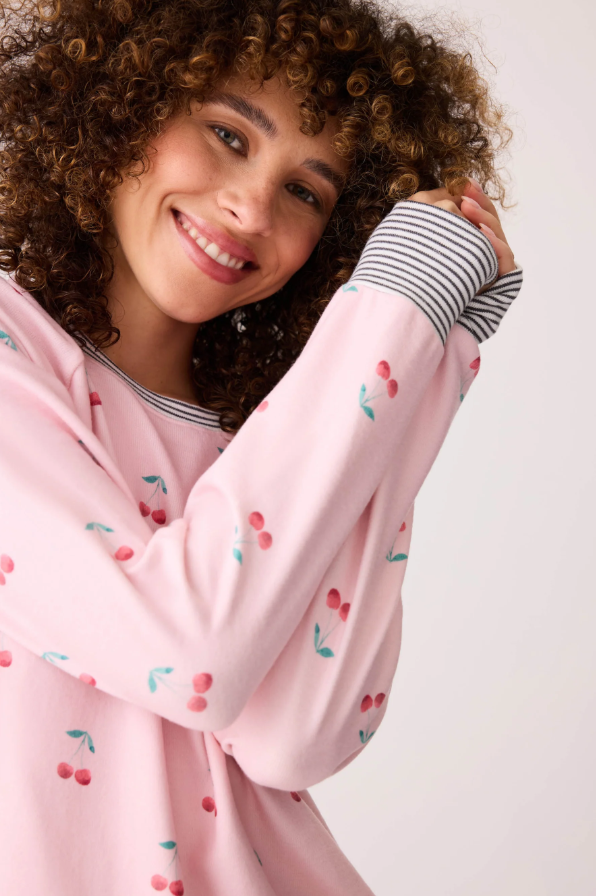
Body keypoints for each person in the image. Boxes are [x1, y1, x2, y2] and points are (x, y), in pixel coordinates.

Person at [0, 0, 523, 893]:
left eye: (306, 193)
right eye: (228, 135)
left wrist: (421, 355)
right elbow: (187, 653)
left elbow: (300, 737)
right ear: (123, 101)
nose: (249, 208)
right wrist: (399, 314)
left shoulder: (270, 448)